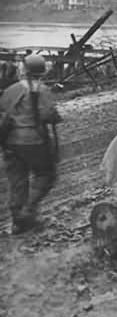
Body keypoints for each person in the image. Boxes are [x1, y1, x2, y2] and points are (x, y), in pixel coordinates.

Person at [0, 54, 61, 234]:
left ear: (24, 69)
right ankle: (28, 210)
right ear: (41, 71)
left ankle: (17, 222)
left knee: (17, 180)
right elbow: (49, 115)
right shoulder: (43, 90)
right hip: (35, 141)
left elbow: (3, 112)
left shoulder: (11, 90)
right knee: (46, 174)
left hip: (11, 142)